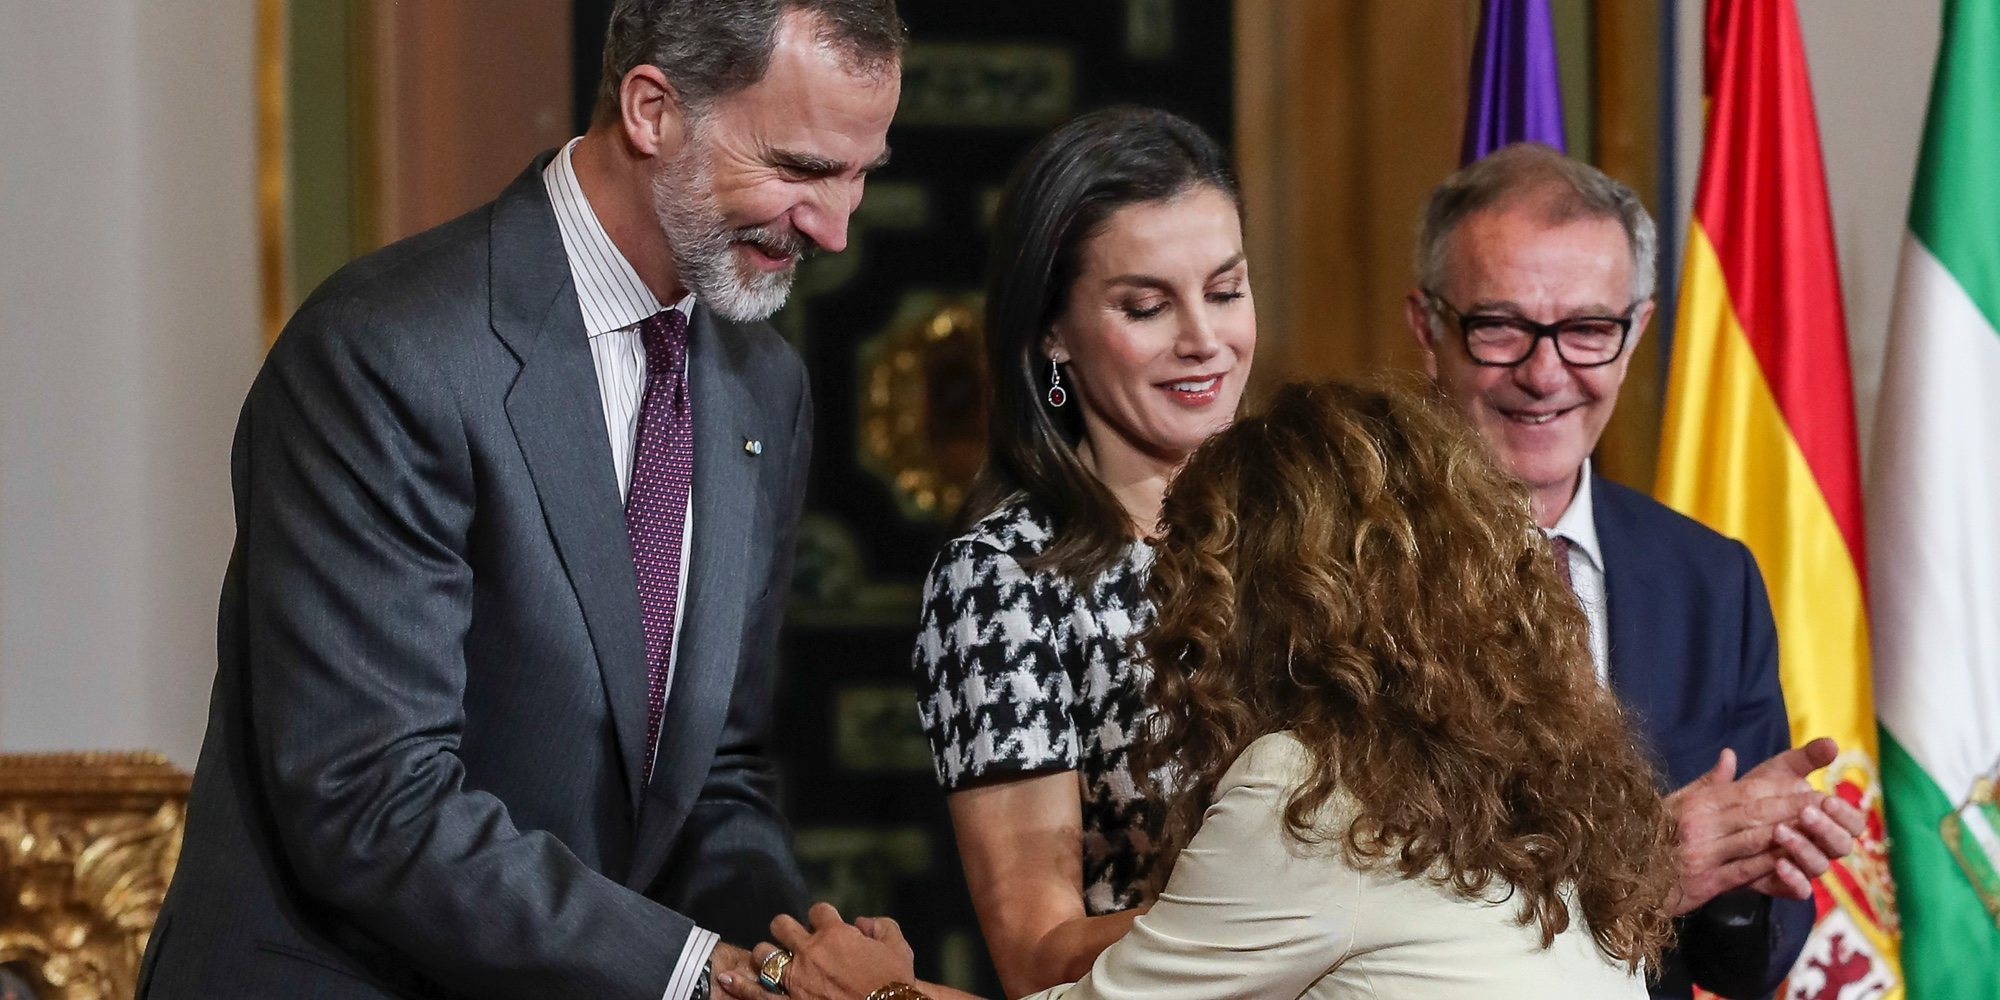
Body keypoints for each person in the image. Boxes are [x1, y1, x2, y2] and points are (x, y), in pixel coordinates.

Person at [137, 2, 901, 998]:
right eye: (800, 169)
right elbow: (372, 798)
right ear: (651, 109)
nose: (836, 230)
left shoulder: (764, 384)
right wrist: (695, 975)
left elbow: (712, 770)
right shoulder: (388, 351)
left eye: (859, 175)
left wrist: (799, 960)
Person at [726, 379, 1681, 1000]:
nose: (1177, 609)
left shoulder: (1314, 790)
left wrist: (878, 994)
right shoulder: (1533, 766)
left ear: (1274, 594)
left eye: (1195, 570)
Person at [1401, 142, 1868, 998]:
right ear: (1428, 328)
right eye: (1500, 326)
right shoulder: (1341, 578)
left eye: (1587, 330)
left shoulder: (1709, 582)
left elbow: (1743, 968)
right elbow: (1343, 898)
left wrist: (1743, 873)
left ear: (1638, 330)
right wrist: (1644, 866)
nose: (1545, 374)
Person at [902, 106, 1254, 997]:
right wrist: (1288, 917)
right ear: (1051, 333)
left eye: (1225, 290)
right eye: (1146, 305)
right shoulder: (1004, 580)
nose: (1204, 340)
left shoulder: (1322, 523)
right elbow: (1035, 949)